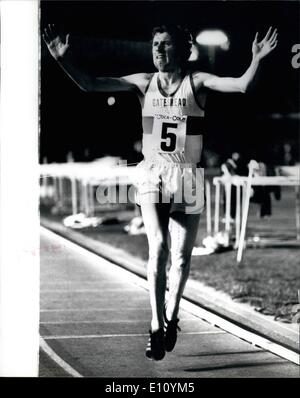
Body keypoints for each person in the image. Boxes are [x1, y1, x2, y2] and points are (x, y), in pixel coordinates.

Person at [43, 23, 277, 360]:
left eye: (166, 45)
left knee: (181, 257)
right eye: (155, 44)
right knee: (159, 246)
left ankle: (171, 315)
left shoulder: (197, 82)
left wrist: (256, 59)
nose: (158, 51)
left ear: (182, 50)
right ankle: (155, 323)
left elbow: (241, 85)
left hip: (187, 177)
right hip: (152, 175)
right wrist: (63, 60)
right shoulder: (143, 82)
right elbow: (90, 83)